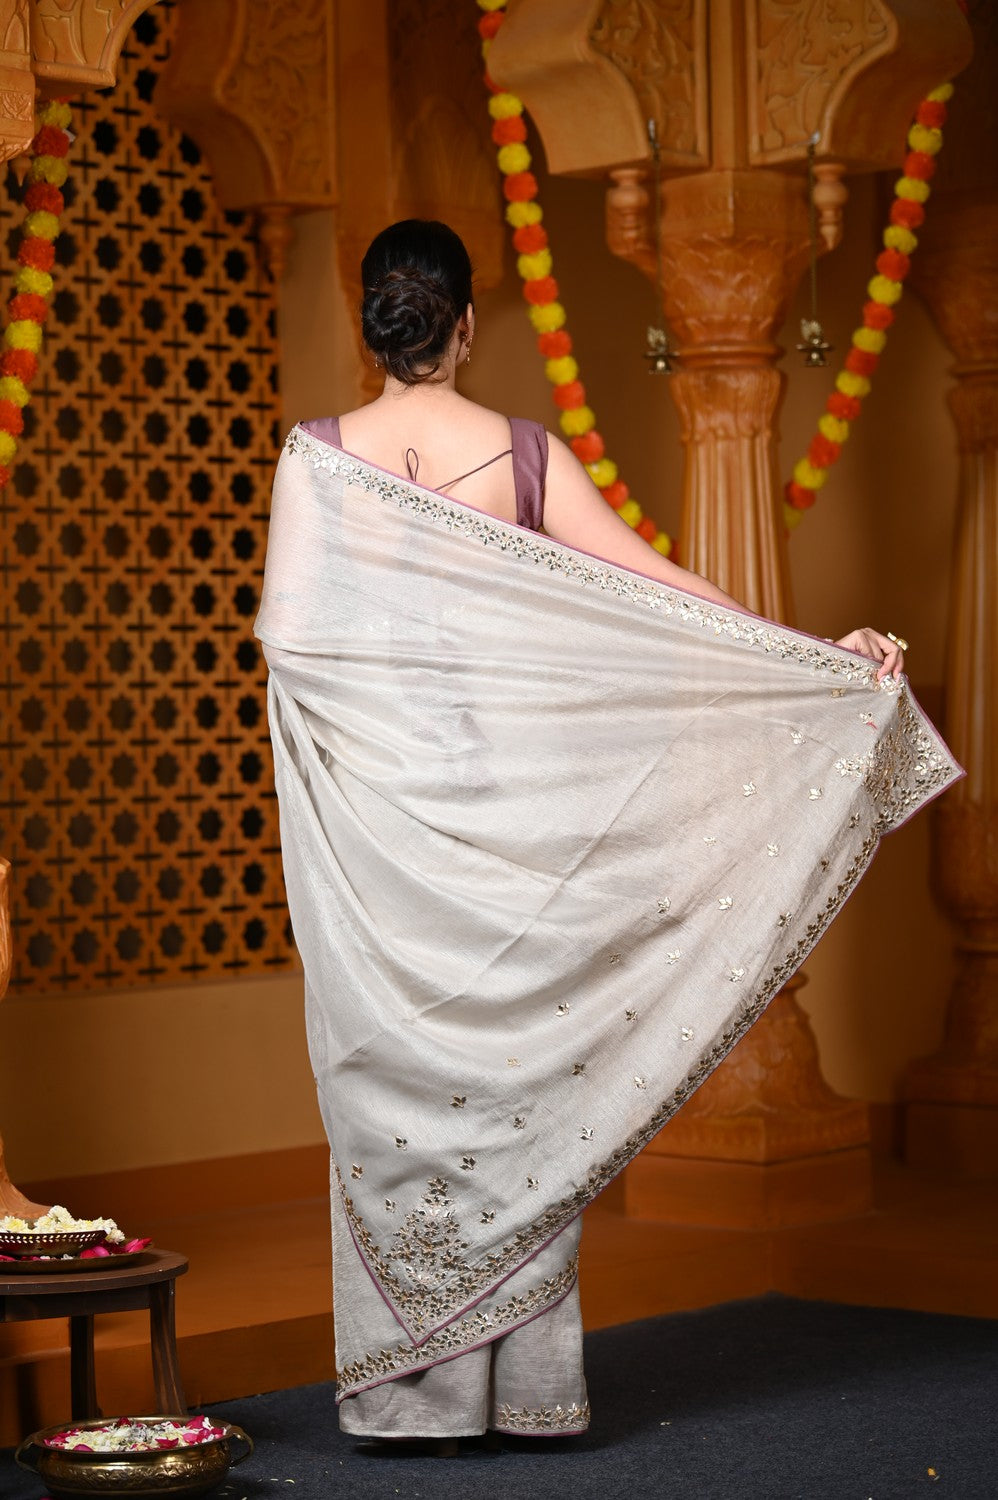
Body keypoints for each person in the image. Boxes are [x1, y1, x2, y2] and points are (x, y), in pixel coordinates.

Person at [254, 220, 958, 1448]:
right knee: (522, 1082)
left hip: (380, 832)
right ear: (464, 325)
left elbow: (291, 641)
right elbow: (657, 591)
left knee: (402, 1083)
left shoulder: (315, 460)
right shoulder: (523, 454)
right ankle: (527, 1395)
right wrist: (814, 656)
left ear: (374, 324)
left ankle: (415, 1402)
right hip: (513, 808)